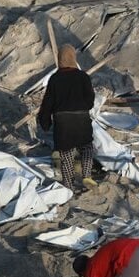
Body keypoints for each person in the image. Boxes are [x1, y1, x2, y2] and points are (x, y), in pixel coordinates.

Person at [38, 44, 97, 193]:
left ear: (60, 59)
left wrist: (45, 121)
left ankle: (68, 185)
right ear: (73, 58)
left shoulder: (55, 79)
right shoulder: (83, 76)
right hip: (81, 118)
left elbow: (48, 102)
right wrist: (83, 107)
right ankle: (87, 175)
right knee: (87, 147)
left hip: (63, 121)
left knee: (66, 153)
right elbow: (90, 99)